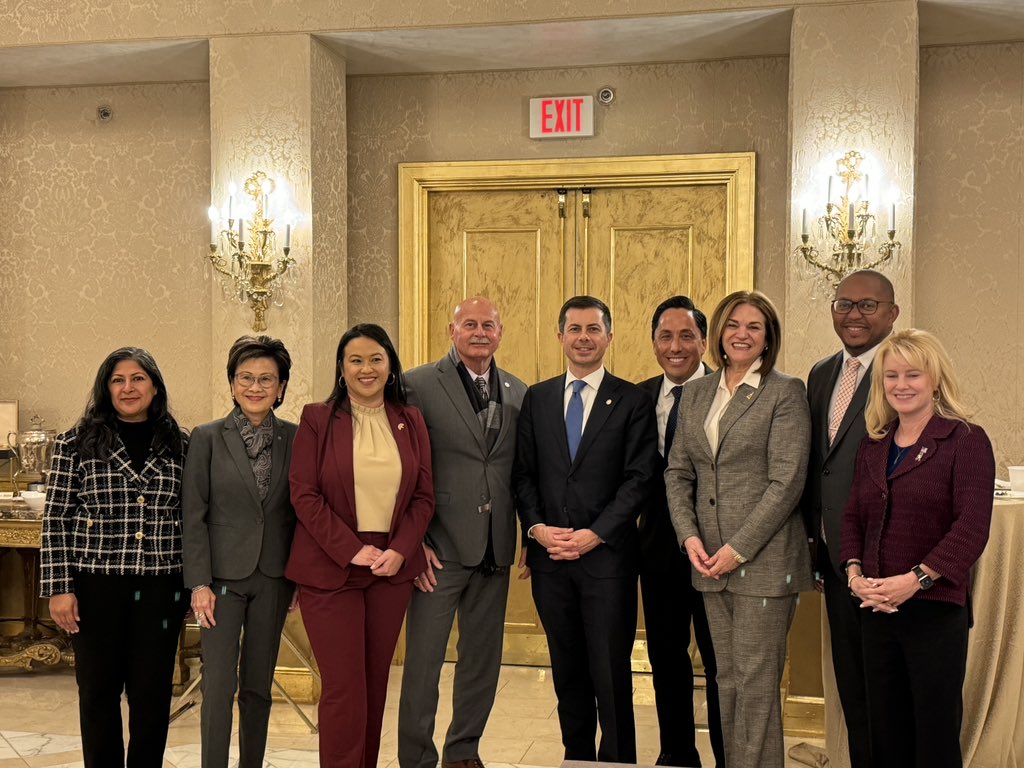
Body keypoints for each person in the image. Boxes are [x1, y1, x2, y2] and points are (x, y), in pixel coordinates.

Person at [665, 290, 812, 768]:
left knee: (756, 685)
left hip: (762, 564)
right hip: (706, 561)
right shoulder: (697, 392)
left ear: (768, 337)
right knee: (724, 679)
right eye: (733, 325)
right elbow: (679, 472)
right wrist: (689, 537)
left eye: (753, 326)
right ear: (718, 335)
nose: (741, 334)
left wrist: (736, 549)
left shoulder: (784, 392)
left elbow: (786, 482)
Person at [513, 295, 658, 763]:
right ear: (560, 337)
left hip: (607, 561)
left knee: (610, 670)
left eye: (593, 329)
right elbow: (523, 475)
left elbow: (640, 479)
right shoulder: (537, 398)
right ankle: (576, 756)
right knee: (567, 668)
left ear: (609, 338)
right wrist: (537, 529)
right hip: (551, 560)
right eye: (574, 329)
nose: (583, 338)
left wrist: (596, 533)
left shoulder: (633, 399)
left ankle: (617, 759)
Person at [841, 329, 994, 768]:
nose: (901, 385)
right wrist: (855, 578)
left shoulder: (965, 440)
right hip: (876, 608)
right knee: (884, 733)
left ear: (935, 380)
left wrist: (916, 579)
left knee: (934, 735)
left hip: (934, 610)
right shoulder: (873, 445)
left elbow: (972, 528)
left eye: (913, 374)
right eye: (892, 375)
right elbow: (852, 517)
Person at [286, 323, 434, 768]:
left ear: (390, 366)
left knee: (373, 686)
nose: (366, 368)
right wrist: (351, 549)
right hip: (331, 566)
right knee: (344, 689)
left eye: (375, 359)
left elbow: (424, 496)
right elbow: (303, 494)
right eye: (356, 360)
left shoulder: (411, 419)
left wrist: (402, 550)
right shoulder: (316, 418)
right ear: (341, 367)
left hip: (390, 568)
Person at [39, 347, 190, 768]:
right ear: (106, 389)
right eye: (118, 380)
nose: (129, 388)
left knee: (152, 693)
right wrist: (58, 590)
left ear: (155, 386)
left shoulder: (182, 444)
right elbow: (56, 519)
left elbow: (194, 517)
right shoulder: (75, 443)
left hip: (162, 586)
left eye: (138, 378)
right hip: (95, 588)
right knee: (98, 692)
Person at [398, 297, 527, 768]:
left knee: (481, 662)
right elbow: (402, 469)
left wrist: (527, 536)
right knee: (424, 665)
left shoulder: (517, 390)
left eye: (488, 324)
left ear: (500, 331)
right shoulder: (416, 384)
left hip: (494, 546)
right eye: (469, 324)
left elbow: (520, 471)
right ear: (451, 329)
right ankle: (416, 758)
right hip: (438, 548)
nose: (479, 332)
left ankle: (463, 752)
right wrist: (413, 542)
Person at [182, 335, 299, 768]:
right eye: (246, 377)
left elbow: (299, 513)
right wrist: (198, 583)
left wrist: (299, 577)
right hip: (220, 582)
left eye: (267, 379)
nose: (256, 386)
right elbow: (193, 514)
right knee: (217, 685)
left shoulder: (296, 437)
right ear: (232, 384)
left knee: (258, 686)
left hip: (273, 577)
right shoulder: (207, 438)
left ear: (282, 387)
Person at [801, 268, 899, 768]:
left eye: (867, 305)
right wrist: (814, 546)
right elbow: (819, 463)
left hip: (888, 560)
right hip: (837, 560)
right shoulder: (821, 373)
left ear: (892, 314)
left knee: (888, 688)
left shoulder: (903, 372)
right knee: (852, 685)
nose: (853, 314)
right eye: (844, 304)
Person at [637, 295, 724, 768]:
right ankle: (677, 754)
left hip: (717, 553)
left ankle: (728, 756)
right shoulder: (637, 397)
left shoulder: (728, 392)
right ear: (653, 343)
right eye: (666, 336)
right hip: (657, 553)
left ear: (704, 342)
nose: (676, 346)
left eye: (687, 336)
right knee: (666, 659)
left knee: (718, 663)